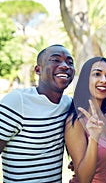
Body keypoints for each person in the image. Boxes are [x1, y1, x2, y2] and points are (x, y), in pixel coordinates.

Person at [0, 44, 75, 182]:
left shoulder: (68, 104)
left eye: (70, 62)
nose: (65, 66)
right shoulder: (18, 101)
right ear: (38, 70)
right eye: (55, 60)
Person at [64, 57, 106, 183]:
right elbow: (84, 179)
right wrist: (93, 137)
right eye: (97, 74)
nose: (104, 80)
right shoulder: (76, 121)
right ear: (85, 79)